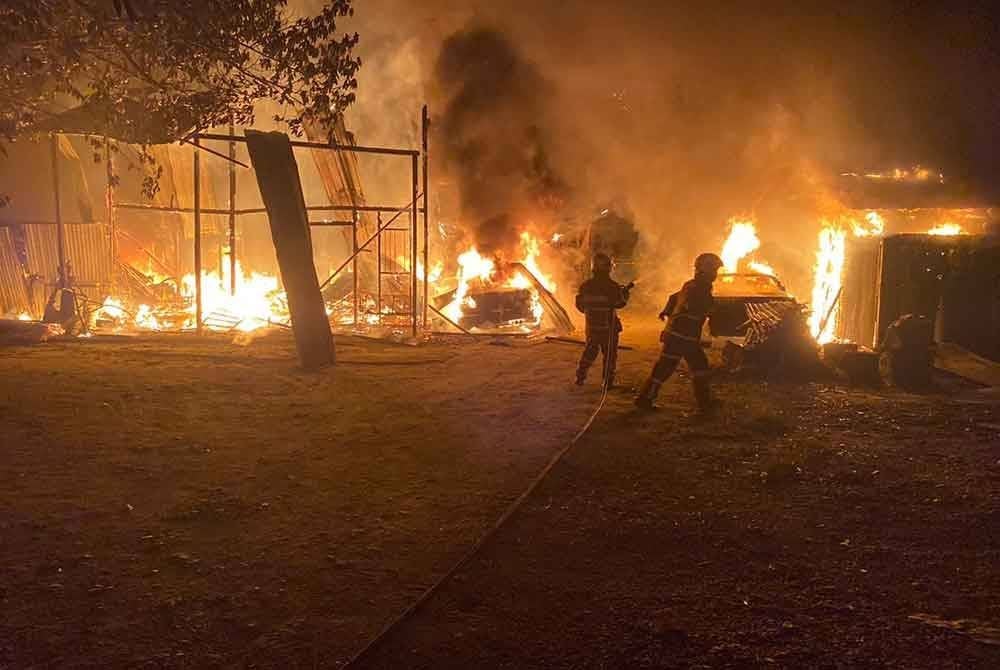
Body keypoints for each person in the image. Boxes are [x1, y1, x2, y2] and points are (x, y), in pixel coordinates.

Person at [635, 252, 724, 411]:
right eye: (714, 270)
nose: (715, 274)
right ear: (705, 270)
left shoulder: (691, 284)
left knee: (680, 367)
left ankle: (645, 399)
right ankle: (704, 403)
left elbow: (673, 298)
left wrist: (666, 311)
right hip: (682, 336)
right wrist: (713, 312)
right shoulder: (699, 288)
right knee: (680, 367)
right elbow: (697, 307)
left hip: (681, 335)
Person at [575, 253, 633, 388]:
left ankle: (580, 376)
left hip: (592, 327)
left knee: (590, 351)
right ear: (608, 268)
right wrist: (625, 294)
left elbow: (580, 305)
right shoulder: (612, 286)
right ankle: (607, 382)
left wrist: (592, 314)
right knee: (610, 355)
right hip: (609, 328)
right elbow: (619, 303)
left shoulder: (585, 286)